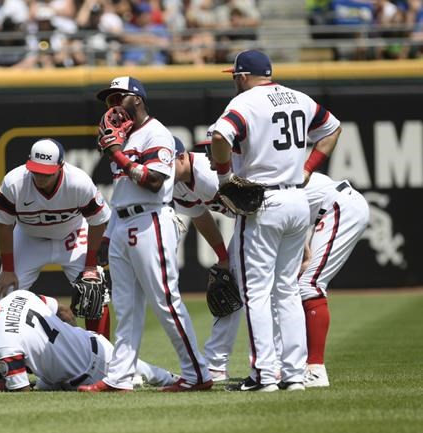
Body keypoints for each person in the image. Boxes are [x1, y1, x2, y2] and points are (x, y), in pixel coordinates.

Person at [210, 50, 341, 392]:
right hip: (298, 199)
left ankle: (265, 376)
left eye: (234, 76)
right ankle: (294, 375)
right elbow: (332, 128)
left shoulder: (247, 102)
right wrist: (308, 168)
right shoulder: (299, 97)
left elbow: (221, 136)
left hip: (262, 200)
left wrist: (224, 178)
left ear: (242, 75)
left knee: (256, 292)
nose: (233, 81)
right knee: (286, 291)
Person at [78, 76, 212, 392]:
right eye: (108, 100)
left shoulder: (157, 133)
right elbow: (123, 190)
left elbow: (153, 180)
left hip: (151, 219)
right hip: (124, 222)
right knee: (126, 307)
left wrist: (118, 155)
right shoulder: (121, 137)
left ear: (136, 99)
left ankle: (198, 374)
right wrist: (107, 237)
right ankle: (120, 377)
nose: (112, 105)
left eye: (118, 98)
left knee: (165, 300)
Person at [0, 286, 177, 391]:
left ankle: (140, 379)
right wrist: (69, 341)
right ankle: (169, 377)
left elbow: (21, 391)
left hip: (86, 376)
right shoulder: (18, 296)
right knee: (151, 372)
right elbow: (64, 311)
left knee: (148, 376)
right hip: (91, 343)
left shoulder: (0, 341)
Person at [0, 138, 111, 337]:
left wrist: (90, 266)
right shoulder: (15, 182)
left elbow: (98, 222)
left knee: (95, 293)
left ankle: (101, 358)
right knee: (4, 298)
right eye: (35, 170)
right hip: (28, 237)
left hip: (72, 235)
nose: (39, 176)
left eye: (46, 172)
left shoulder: (78, 182)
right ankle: (12, 362)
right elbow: (3, 225)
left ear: (60, 166)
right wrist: (8, 269)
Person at [172, 133, 238, 383]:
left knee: (263, 290)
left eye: (164, 162)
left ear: (180, 157)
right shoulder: (177, 182)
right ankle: (217, 364)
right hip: (249, 223)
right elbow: (200, 216)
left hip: (275, 216)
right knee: (230, 286)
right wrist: (223, 256)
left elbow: (256, 202)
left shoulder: (209, 174)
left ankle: (281, 362)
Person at [296, 171, 370, 387]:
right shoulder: (262, 169)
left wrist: (306, 254)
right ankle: (298, 364)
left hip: (339, 207)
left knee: (309, 284)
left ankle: (316, 370)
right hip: (330, 208)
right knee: (299, 284)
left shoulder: (264, 172)